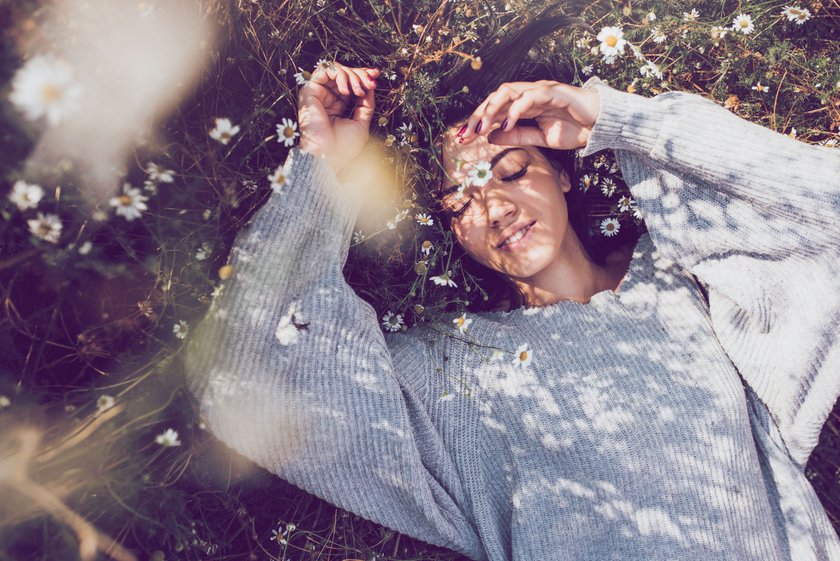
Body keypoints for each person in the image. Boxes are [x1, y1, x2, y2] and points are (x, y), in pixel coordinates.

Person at [182, 20, 840, 561]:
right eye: (460, 199)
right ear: (449, 232)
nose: (494, 208)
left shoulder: (685, 283)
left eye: (511, 171)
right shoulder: (450, 369)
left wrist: (615, 120)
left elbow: (826, 208)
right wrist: (322, 169)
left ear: (564, 173)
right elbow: (242, 373)